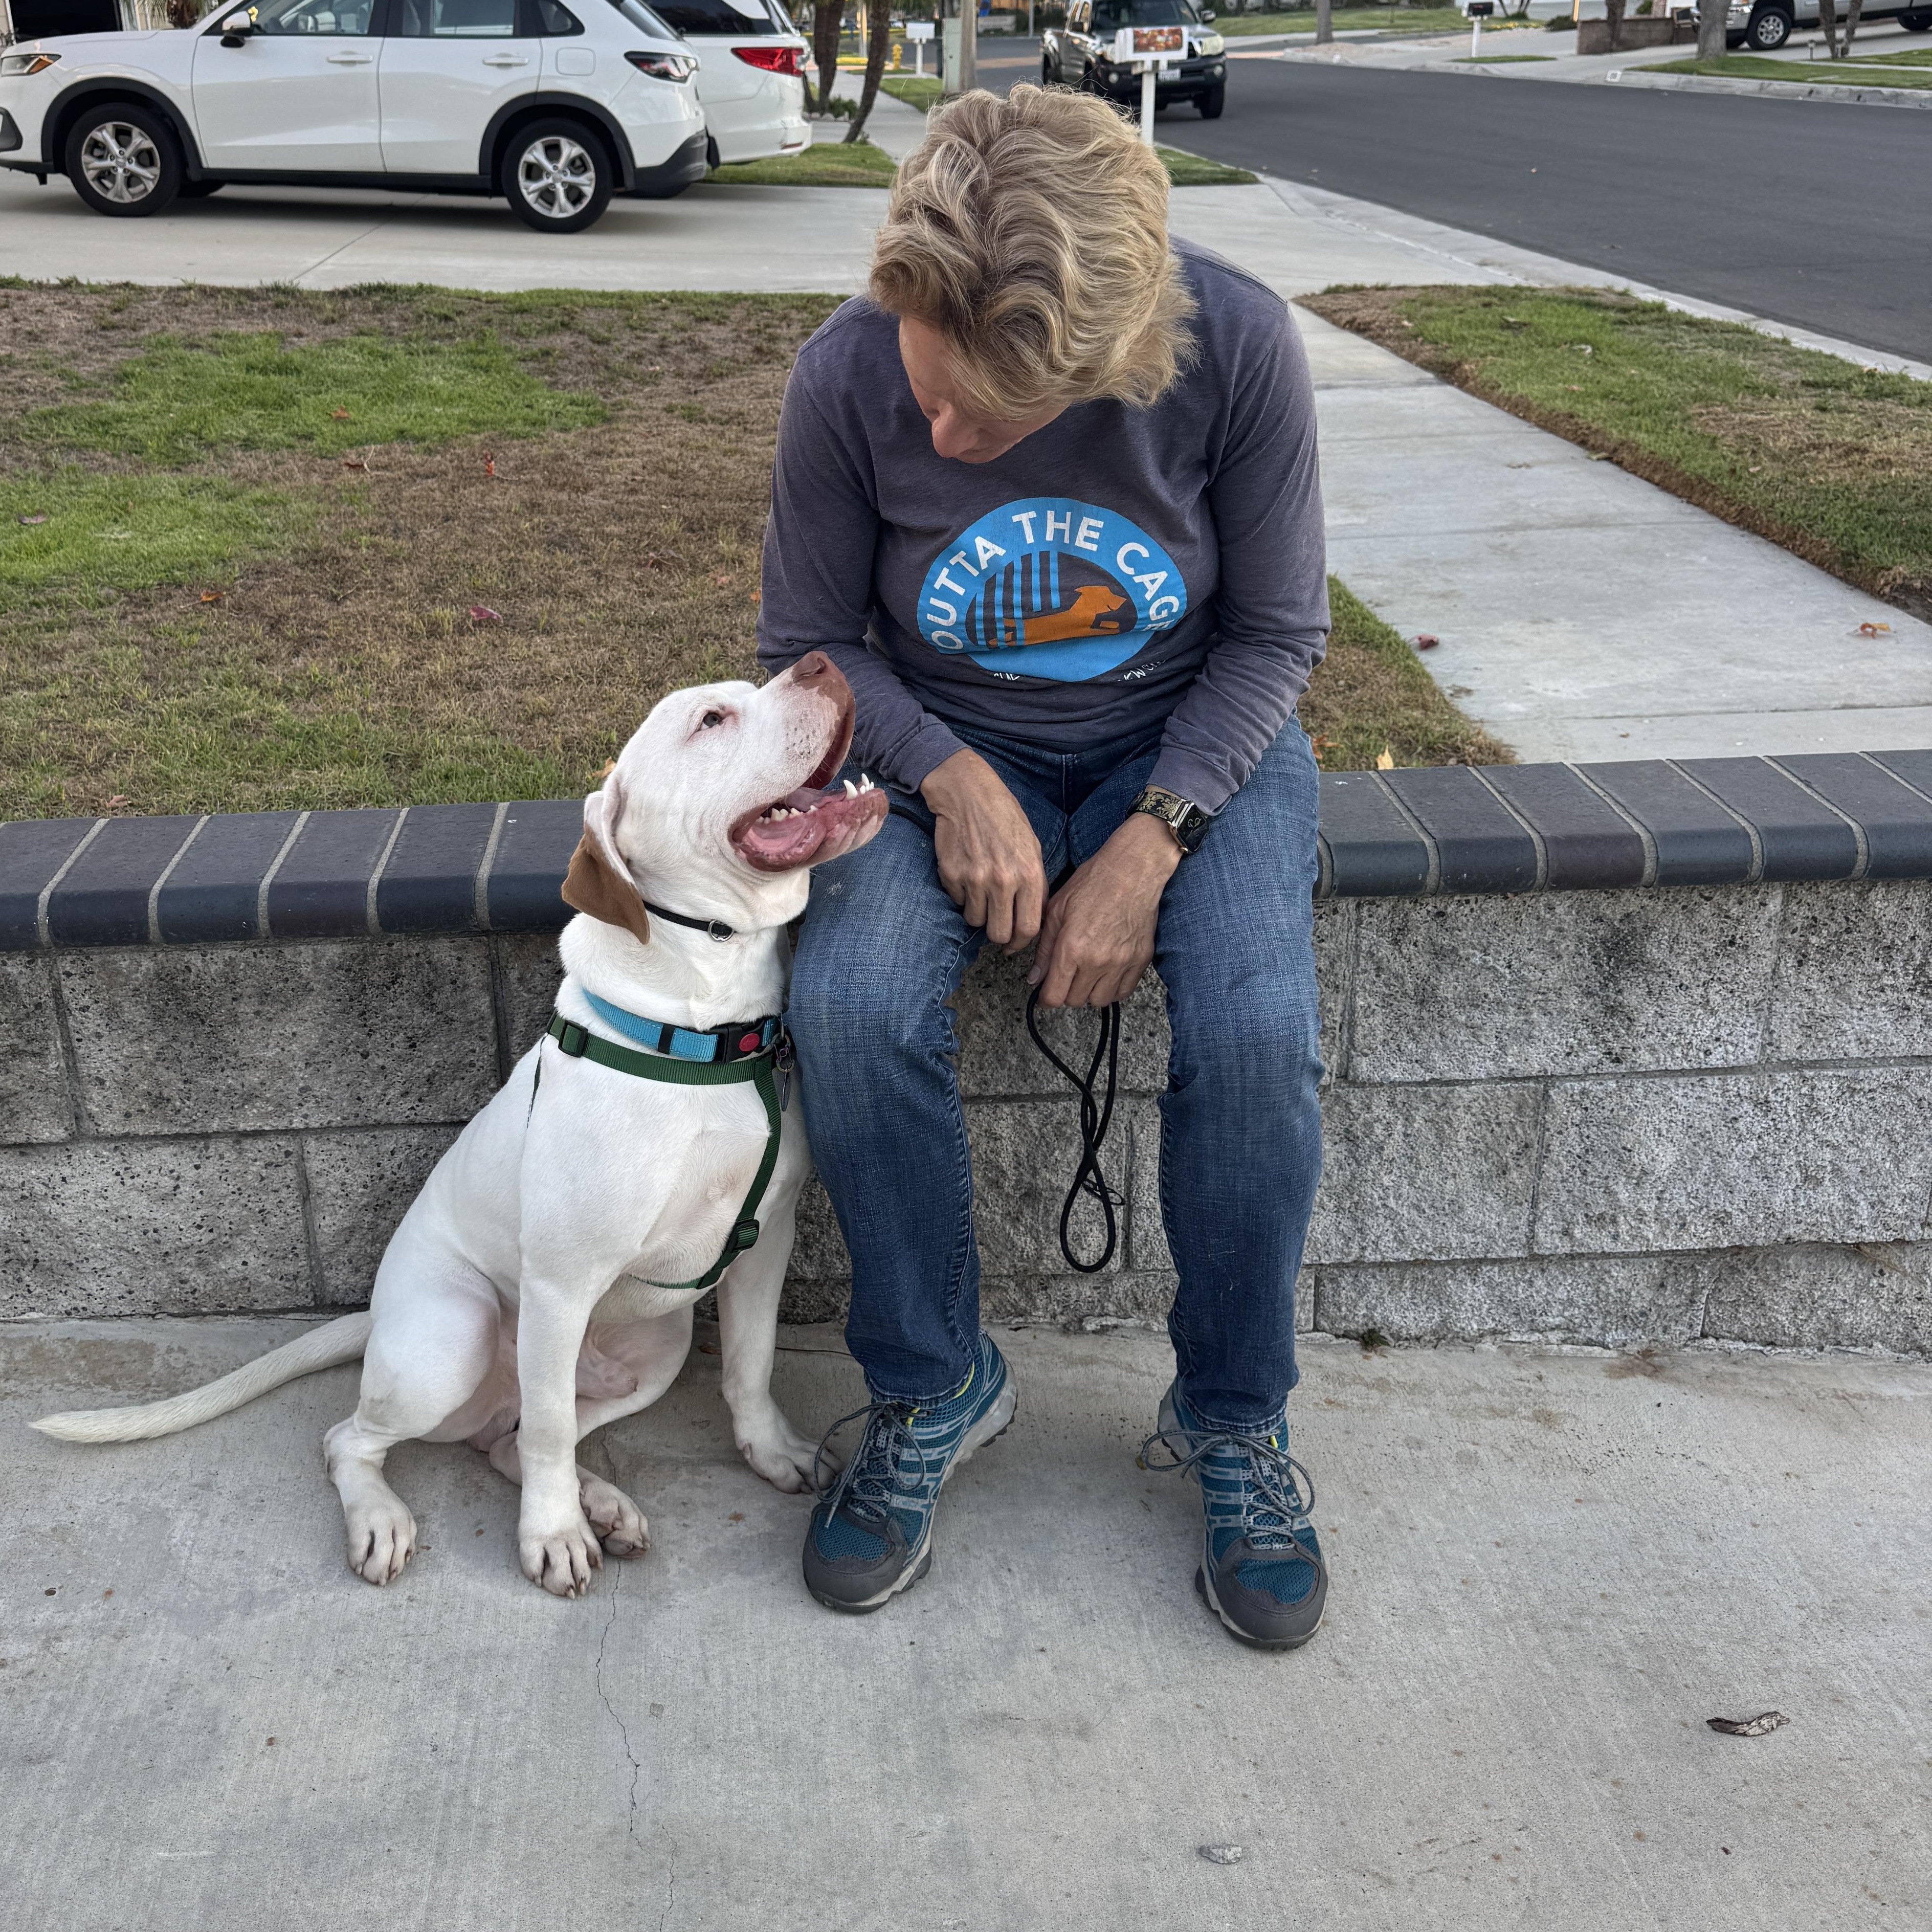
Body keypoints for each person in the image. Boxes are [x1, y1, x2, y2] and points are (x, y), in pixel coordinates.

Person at [757, 85, 1329, 1650]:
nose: (935, 438)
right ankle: (934, 1381)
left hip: (1193, 738)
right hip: (939, 738)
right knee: (854, 999)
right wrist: (944, 773)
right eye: (927, 397)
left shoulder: (1240, 348)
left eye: (982, 428)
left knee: (1259, 1031)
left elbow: (1278, 633)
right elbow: (803, 644)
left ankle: (1230, 1417)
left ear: (1107, 368)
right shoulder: (845, 371)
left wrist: (1155, 837)